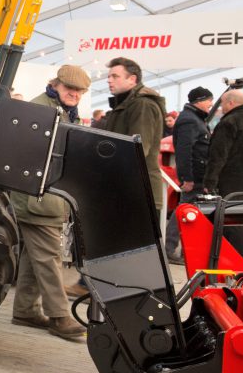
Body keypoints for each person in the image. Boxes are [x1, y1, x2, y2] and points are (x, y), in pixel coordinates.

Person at [10, 65, 90, 340]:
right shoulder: (41, 109)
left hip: (46, 197)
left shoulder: (59, 109)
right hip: (39, 197)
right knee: (49, 258)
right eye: (70, 88)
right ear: (55, 84)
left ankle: (25, 310)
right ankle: (59, 316)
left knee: (35, 257)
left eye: (79, 91)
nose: (75, 94)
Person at [102, 57, 168, 212]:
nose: (109, 80)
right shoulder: (123, 105)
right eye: (108, 76)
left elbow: (137, 149)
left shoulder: (142, 104)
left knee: (134, 237)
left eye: (115, 76)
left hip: (137, 191)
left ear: (132, 79)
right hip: (127, 189)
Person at [164, 87, 213, 263]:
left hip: (197, 174)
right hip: (195, 176)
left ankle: (185, 251)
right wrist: (187, 178)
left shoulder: (193, 118)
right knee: (184, 211)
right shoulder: (190, 120)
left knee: (189, 212)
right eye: (209, 100)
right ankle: (170, 250)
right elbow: (184, 151)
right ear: (200, 100)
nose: (211, 104)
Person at [203, 89, 243, 258]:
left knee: (232, 223)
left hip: (231, 182)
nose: (221, 107)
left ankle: (238, 261)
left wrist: (209, 183)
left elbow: (218, 156)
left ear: (231, 103)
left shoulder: (229, 123)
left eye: (222, 103)